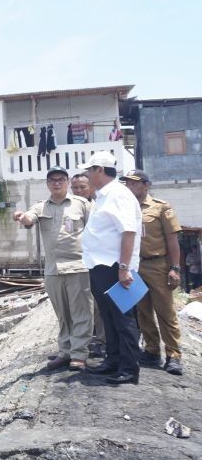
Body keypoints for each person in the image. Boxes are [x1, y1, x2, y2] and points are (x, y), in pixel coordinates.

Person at [14, 166, 93, 371]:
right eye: (52, 180)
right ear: (48, 184)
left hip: (78, 266)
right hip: (53, 269)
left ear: (67, 182)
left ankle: (79, 355)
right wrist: (23, 218)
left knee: (81, 312)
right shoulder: (41, 206)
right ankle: (65, 352)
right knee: (62, 314)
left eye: (61, 179)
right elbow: (29, 219)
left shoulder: (82, 204)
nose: (57, 183)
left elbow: (96, 230)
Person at [79, 152, 142, 385]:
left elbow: (128, 232)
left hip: (114, 266)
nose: (86, 174)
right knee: (108, 316)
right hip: (99, 265)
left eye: (89, 170)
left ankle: (129, 368)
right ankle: (113, 361)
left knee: (123, 318)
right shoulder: (103, 196)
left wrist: (124, 268)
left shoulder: (117, 194)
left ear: (99, 170)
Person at [120, 170, 184, 376]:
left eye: (134, 183)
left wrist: (174, 268)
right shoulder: (125, 208)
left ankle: (173, 355)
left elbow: (173, 240)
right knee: (143, 310)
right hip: (136, 265)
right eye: (127, 183)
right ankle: (151, 350)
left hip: (158, 265)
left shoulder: (161, 207)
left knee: (165, 311)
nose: (129, 186)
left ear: (146, 185)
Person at [71, 171, 104, 356]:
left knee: (99, 303)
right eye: (74, 187)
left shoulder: (99, 207)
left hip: (98, 263)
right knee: (80, 305)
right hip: (76, 263)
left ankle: (101, 341)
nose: (78, 191)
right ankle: (80, 342)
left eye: (82, 187)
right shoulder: (67, 208)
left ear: (91, 187)